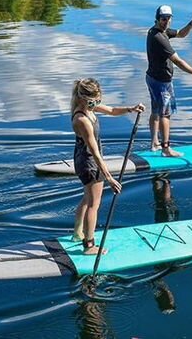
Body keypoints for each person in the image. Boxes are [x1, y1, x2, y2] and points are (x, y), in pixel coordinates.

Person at [71, 78, 145, 255]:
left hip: (84, 159)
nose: (97, 103)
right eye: (94, 100)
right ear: (83, 98)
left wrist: (130, 109)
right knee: (93, 204)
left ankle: (77, 233)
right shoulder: (82, 119)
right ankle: (89, 246)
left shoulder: (89, 107)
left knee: (87, 198)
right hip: (89, 163)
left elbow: (111, 110)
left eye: (98, 99)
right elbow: (95, 152)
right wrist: (110, 178)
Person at [146, 4, 192, 157]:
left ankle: (155, 143)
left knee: (156, 111)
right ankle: (166, 149)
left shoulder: (160, 31)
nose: (166, 21)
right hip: (161, 82)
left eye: (168, 18)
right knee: (165, 114)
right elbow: (178, 61)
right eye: (163, 19)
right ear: (157, 19)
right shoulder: (159, 37)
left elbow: (181, 34)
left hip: (152, 78)